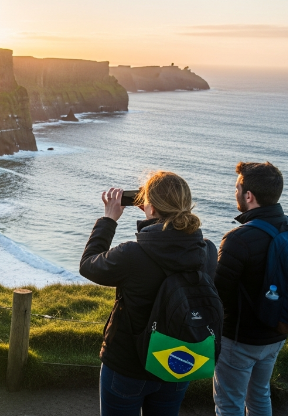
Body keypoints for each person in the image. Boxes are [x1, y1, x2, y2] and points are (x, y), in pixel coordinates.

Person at [80, 171, 217, 416]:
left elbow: (89, 265)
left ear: (150, 207)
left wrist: (109, 219)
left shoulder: (132, 254)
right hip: (178, 360)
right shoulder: (206, 250)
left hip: (127, 366)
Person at [213, 162, 288, 416]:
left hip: (240, 339)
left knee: (229, 403)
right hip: (276, 333)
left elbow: (218, 294)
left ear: (249, 196)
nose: (235, 193)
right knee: (260, 394)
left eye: (237, 188)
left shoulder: (238, 238)